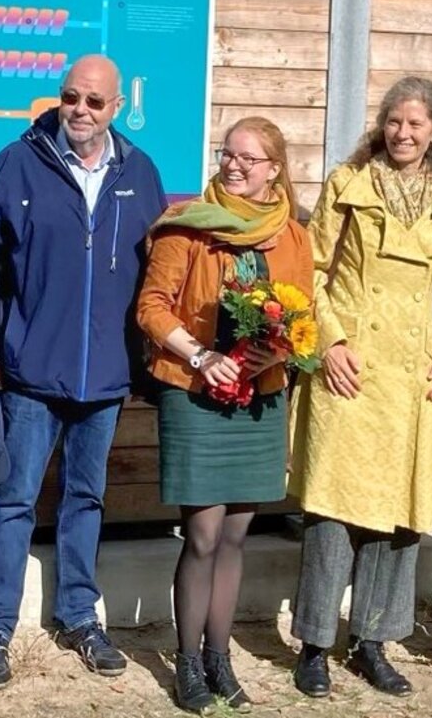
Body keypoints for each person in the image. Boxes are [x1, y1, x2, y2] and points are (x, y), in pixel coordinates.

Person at [0, 54, 168, 689]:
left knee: (86, 498)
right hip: (29, 374)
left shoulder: (140, 173)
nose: (79, 110)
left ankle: (79, 614)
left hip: (103, 379)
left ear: (116, 108)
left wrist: (147, 363)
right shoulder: (16, 165)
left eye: (93, 102)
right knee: (13, 499)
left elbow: (158, 274)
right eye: (70, 97)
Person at [286, 76, 432, 699]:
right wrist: (328, 343)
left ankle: (373, 641)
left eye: (416, 124)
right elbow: (314, 270)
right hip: (351, 363)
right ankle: (313, 641)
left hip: (414, 369)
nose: (403, 133)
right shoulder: (347, 183)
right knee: (333, 509)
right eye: (394, 121)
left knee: (399, 513)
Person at [135, 116, 314, 713]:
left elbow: (302, 315)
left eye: (248, 158)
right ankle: (187, 661)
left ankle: (221, 658)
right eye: (226, 154)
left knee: (237, 533)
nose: (233, 165)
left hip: (260, 394)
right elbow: (152, 309)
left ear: (274, 169)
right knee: (205, 534)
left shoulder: (292, 234)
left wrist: (277, 347)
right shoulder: (185, 227)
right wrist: (201, 353)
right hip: (194, 390)